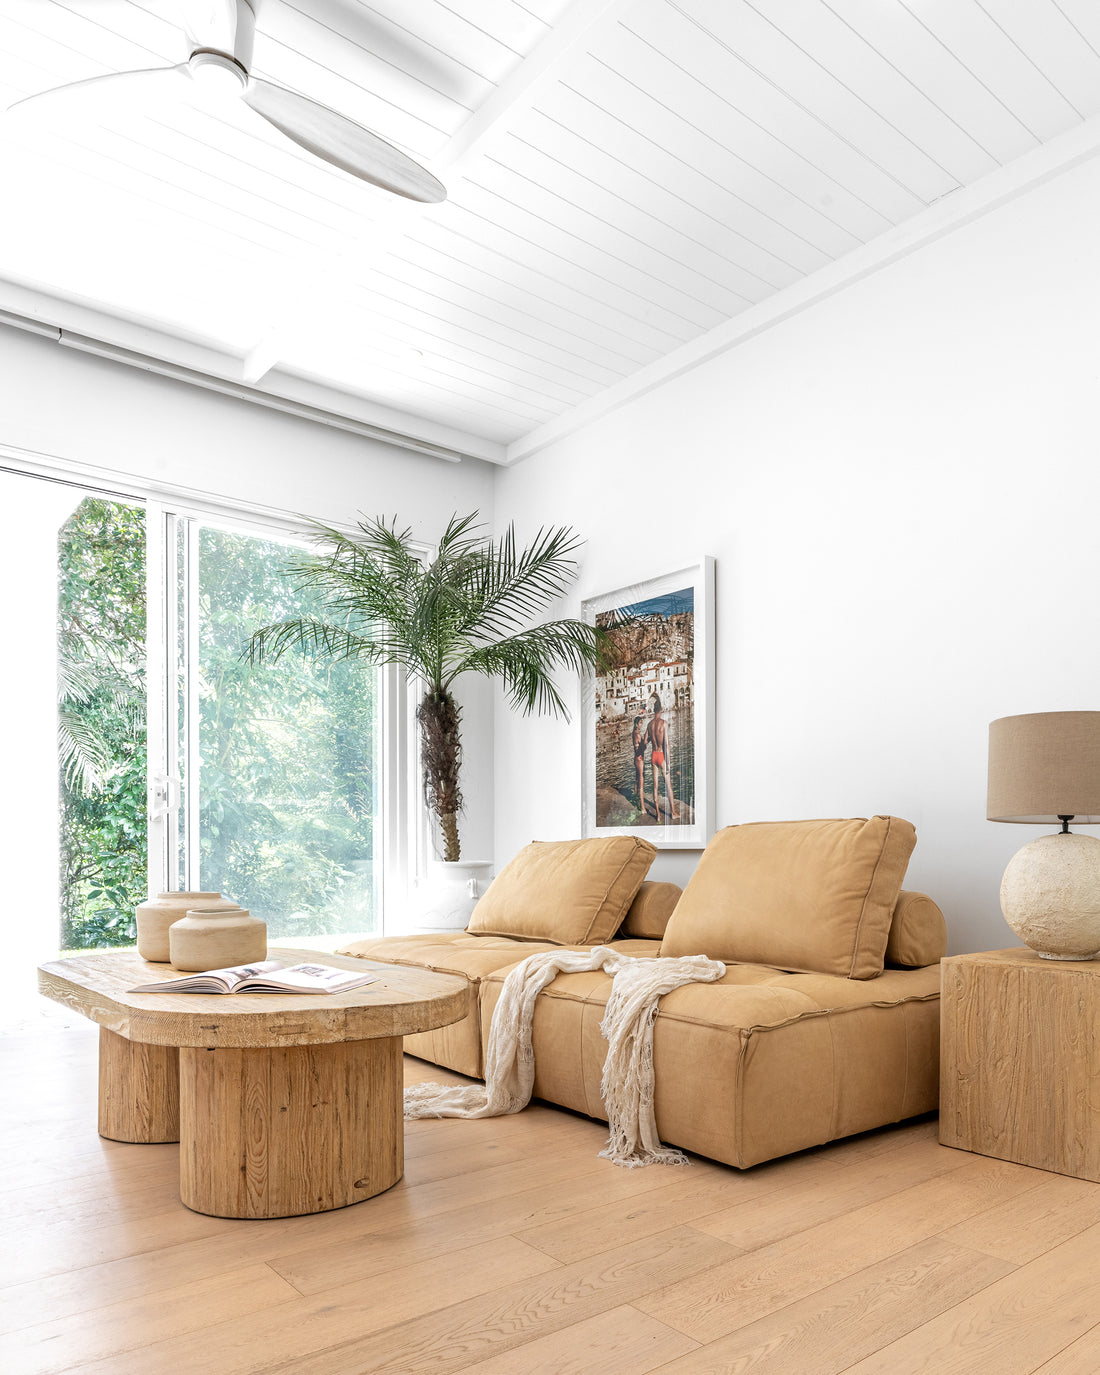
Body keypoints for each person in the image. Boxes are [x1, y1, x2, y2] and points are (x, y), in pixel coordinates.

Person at [646, 696, 678, 822]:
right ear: (661, 709)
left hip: (653, 755)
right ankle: (673, 812)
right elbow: (666, 744)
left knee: (655, 786)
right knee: (668, 785)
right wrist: (668, 763)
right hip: (661, 756)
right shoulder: (663, 723)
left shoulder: (649, 724)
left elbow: (645, 740)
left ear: (654, 710)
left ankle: (658, 815)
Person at [632, 714, 647, 811]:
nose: (641, 725)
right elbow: (642, 748)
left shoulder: (633, 733)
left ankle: (636, 800)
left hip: (636, 758)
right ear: (637, 724)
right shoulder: (637, 734)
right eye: (640, 723)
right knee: (641, 782)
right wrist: (646, 739)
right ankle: (642, 807)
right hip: (639, 759)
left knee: (637, 779)